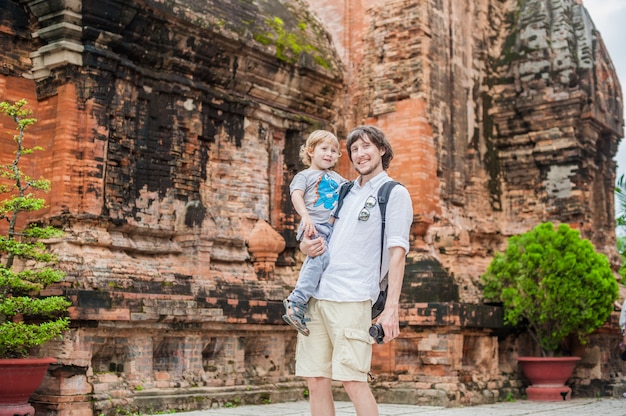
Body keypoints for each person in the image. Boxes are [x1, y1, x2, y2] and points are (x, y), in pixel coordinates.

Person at [296, 125, 413, 416]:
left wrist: (392, 309)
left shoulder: (394, 193)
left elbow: (397, 253)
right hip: (318, 295)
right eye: (355, 149)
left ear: (382, 150)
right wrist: (305, 248)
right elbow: (319, 236)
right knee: (316, 379)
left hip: (352, 297)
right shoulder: (344, 190)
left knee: (353, 380)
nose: (360, 154)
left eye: (367, 147)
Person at [283, 130, 346, 336]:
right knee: (318, 257)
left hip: (331, 228)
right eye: (324, 149)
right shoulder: (304, 175)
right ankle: (296, 301)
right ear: (311, 151)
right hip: (313, 225)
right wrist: (305, 217)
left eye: (334, 151)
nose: (329, 154)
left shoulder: (338, 178)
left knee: (327, 259)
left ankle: (311, 301)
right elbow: (296, 196)